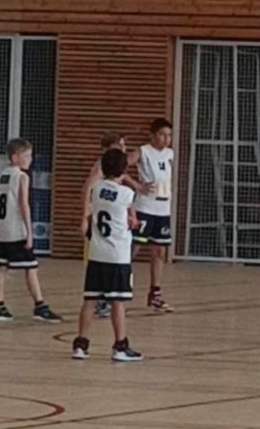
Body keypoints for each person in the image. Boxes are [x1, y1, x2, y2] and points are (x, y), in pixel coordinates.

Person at [72, 148, 142, 361]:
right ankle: (120, 346)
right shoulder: (127, 194)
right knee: (118, 302)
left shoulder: (97, 189)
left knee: (90, 301)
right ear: (124, 170)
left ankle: (80, 345)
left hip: (97, 254)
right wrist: (133, 221)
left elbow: (93, 195)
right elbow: (131, 219)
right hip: (117, 256)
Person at [0, 138, 62, 324]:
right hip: (16, 231)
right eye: (27, 155)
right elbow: (24, 205)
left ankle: (0, 306)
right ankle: (40, 306)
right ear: (15, 157)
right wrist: (30, 233)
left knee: (1, 268)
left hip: (2, 231)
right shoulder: (22, 177)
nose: (30, 159)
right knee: (31, 267)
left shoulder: (0, 176)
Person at [84, 132, 141, 319]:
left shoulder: (114, 170)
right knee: (104, 261)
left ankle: (106, 300)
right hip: (100, 217)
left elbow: (124, 182)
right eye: (120, 145)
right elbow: (87, 188)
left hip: (110, 215)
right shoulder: (101, 167)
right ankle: (105, 301)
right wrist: (84, 216)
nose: (124, 149)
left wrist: (136, 187)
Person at [132, 118, 175, 312]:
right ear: (153, 135)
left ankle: (155, 294)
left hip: (163, 210)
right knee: (133, 248)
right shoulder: (143, 151)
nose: (166, 139)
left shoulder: (170, 154)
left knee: (160, 251)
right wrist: (137, 185)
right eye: (162, 134)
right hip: (145, 208)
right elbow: (120, 168)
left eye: (169, 135)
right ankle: (112, 289)